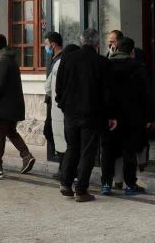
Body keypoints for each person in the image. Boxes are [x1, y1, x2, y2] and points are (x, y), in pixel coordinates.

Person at [55, 28, 117, 203]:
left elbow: (59, 86)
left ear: (81, 41)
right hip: (92, 114)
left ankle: (66, 183)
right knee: (87, 151)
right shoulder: (102, 63)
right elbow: (108, 93)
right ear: (97, 43)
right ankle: (81, 190)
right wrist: (110, 115)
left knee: (72, 148)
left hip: (71, 113)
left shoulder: (67, 59)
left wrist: (63, 104)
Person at [100, 37, 148, 196]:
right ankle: (130, 185)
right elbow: (146, 94)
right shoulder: (137, 67)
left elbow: (101, 91)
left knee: (107, 151)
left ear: (116, 48)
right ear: (132, 51)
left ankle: (106, 184)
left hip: (109, 117)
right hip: (131, 117)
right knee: (129, 151)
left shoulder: (106, 66)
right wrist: (149, 117)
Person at [0, 34, 36, 174]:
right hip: (12, 105)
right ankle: (26, 156)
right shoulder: (9, 59)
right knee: (10, 132)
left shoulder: (2, 60)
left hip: (4, 106)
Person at [45, 42, 79, 180]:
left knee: (60, 141)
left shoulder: (57, 65)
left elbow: (47, 88)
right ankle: (70, 173)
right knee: (70, 143)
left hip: (56, 110)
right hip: (69, 112)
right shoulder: (73, 66)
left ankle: (63, 170)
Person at [42, 31, 64, 163]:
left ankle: (63, 162)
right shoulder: (55, 58)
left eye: (46, 44)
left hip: (56, 102)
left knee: (52, 132)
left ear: (53, 44)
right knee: (49, 131)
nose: (46, 47)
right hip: (52, 101)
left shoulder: (61, 60)